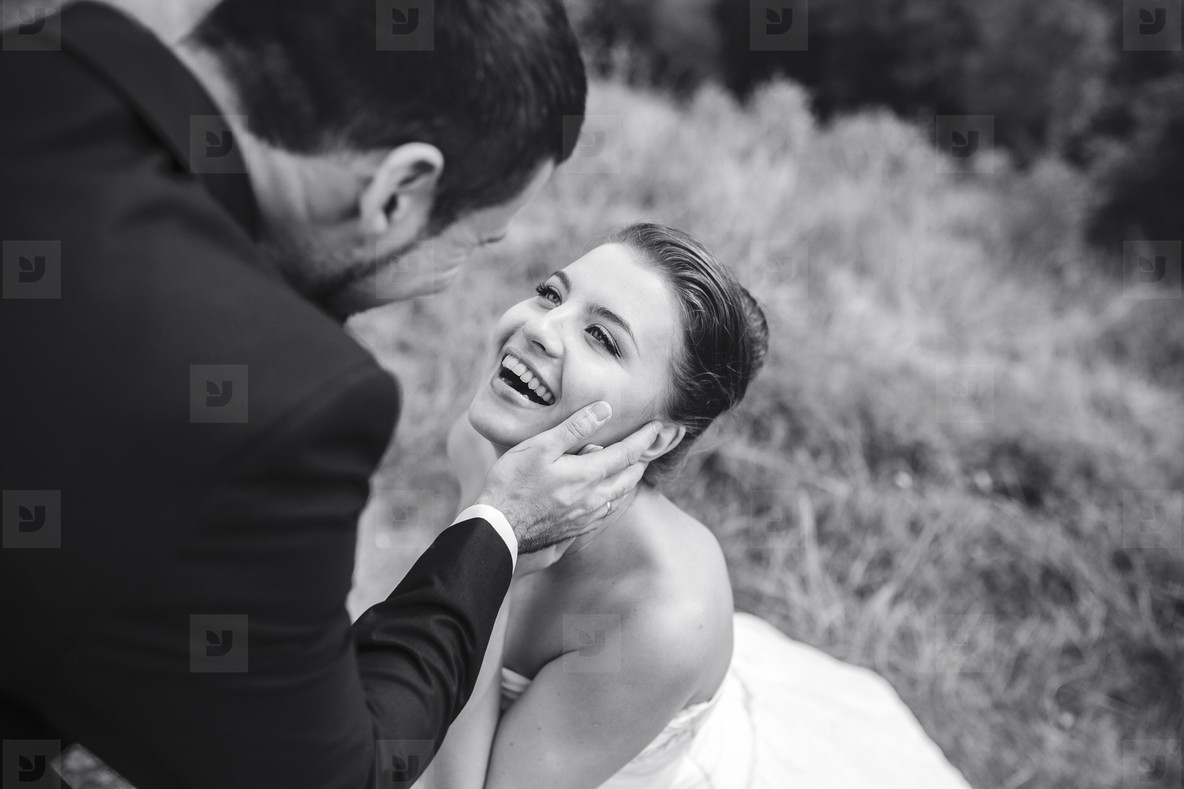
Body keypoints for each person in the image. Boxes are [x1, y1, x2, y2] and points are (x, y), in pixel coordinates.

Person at [0, 2, 659, 788]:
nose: (452, 281)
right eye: (473, 244)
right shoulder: (283, 401)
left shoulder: (45, 57)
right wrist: (498, 529)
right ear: (399, 190)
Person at [428, 224, 974, 789]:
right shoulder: (481, 444)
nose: (541, 328)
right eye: (551, 294)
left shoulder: (657, 616)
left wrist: (491, 557)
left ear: (660, 438)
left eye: (603, 338)